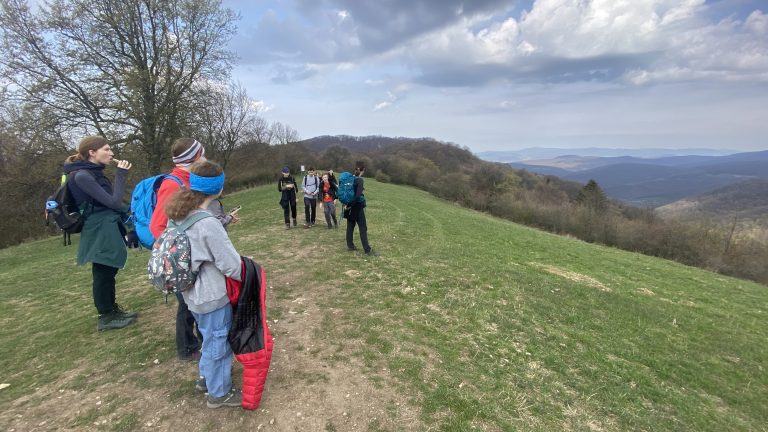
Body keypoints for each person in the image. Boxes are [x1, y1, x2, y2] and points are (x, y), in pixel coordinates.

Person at [164, 160, 243, 409]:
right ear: (217, 188)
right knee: (218, 339)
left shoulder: (178, 215)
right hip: (211, 294)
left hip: (191, 294)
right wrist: (251, 274)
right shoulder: (208, 222)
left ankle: (205, 378)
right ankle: (219, 393)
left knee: (208, 337)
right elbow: (231, 265)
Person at [63, 136, 138, 331]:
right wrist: (121, 174)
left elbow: (112, 203)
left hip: (106, 223)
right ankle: (105, 316)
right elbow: (112, 202)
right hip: (98, 226)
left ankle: (112, 309)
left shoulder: (93, 173)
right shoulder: (82, 176)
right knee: (103, 270)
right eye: (106, 149)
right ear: (92, 152)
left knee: (109, 268)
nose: (111, 153)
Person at [150, 138, 206, 361]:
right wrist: (179, 253)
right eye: (202, 154)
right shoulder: (173, 184)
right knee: (187, 305)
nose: (205, 158)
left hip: (192, 255)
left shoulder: (189, 180)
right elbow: (157, 225)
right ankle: (187, 348)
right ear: (192, 158)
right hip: (181, 260)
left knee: (194, 303)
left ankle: (199, 342)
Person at [345, 161, 378, 256]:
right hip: (357, 207)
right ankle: (367, 250)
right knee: (363, 228)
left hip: (348, 206)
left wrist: (348, 204)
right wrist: (352, 204)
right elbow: (358, 195)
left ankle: (350, 245)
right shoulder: (360, 180)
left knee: (350, 226)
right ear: (362, 170)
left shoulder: (350, 178)